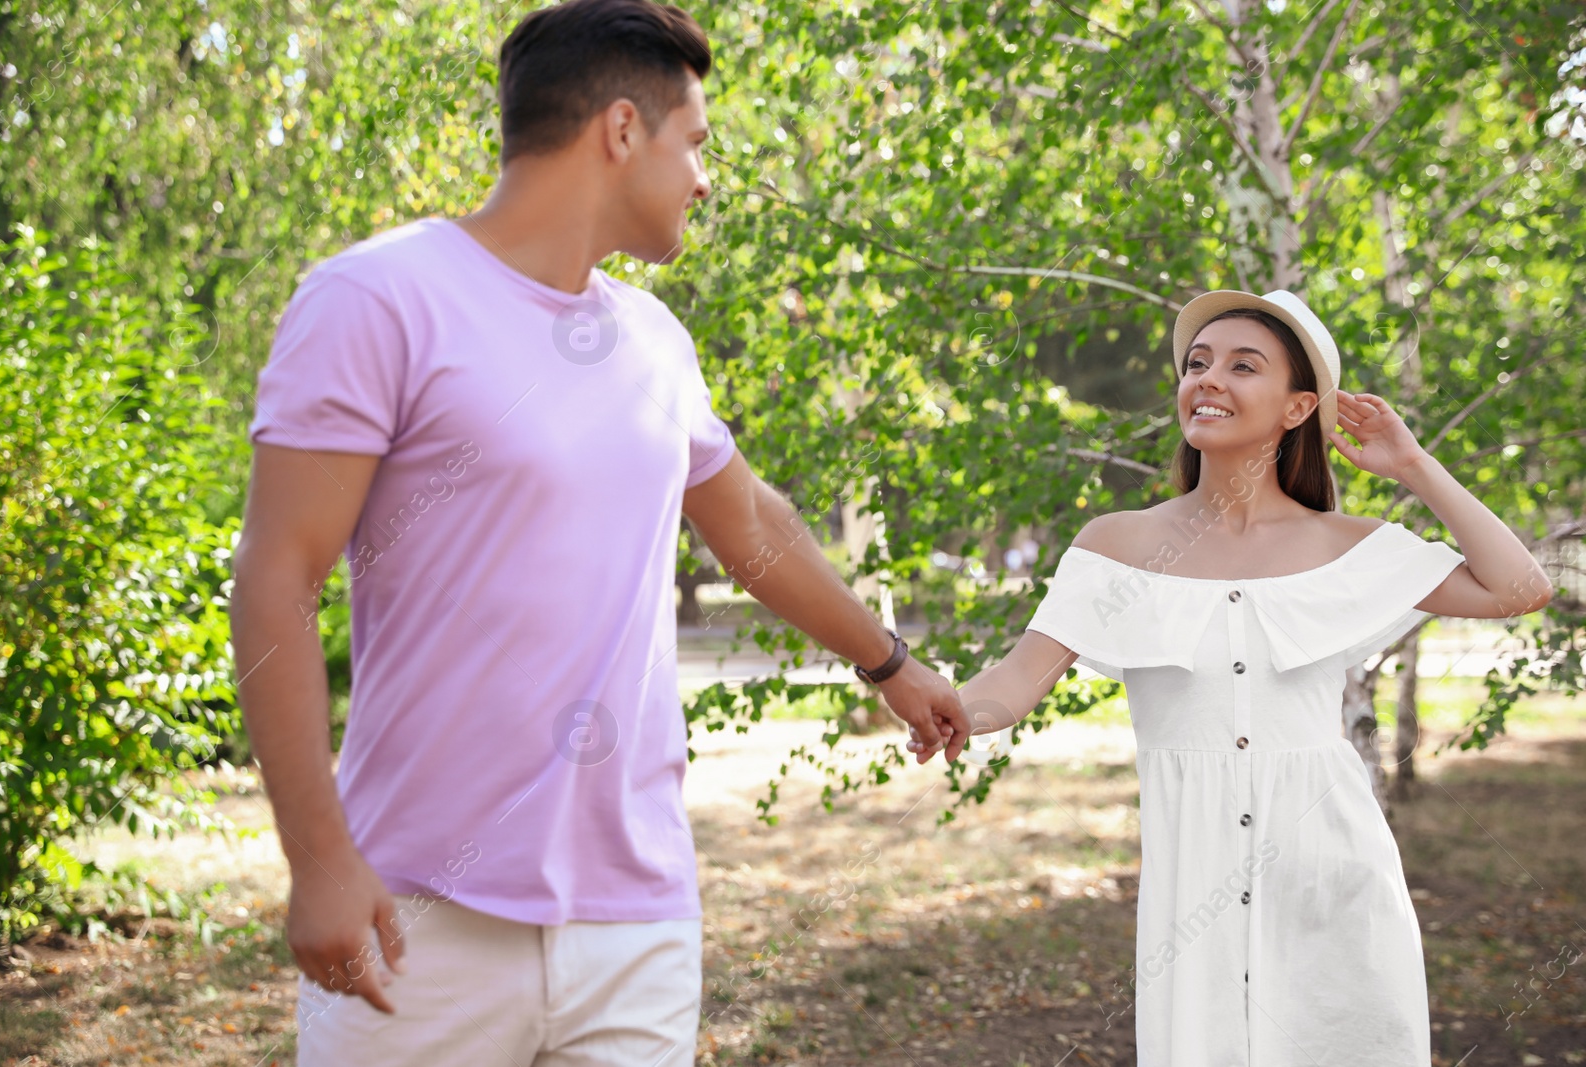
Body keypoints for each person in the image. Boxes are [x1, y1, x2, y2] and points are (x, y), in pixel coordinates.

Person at [228, 1, 968, 1063]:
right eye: (696, 144)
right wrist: (318, 857)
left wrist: (889, 663)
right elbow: (276, 575)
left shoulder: (652, 339)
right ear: (623, 129)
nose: (705, 179)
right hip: (419, 918)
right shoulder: (378, 297)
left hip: (637, 921)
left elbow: (751, 525)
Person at [912, 289, 1552, 1065]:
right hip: (1194, 896)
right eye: (1196, 364)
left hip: (1337, 881)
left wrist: (1413, 465)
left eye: (1243, 366)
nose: (1208, 378)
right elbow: (1014, 684)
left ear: (1297, 408)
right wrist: (943, 705)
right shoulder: (1117, 544)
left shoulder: (1348, 544)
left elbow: (1521, 589)